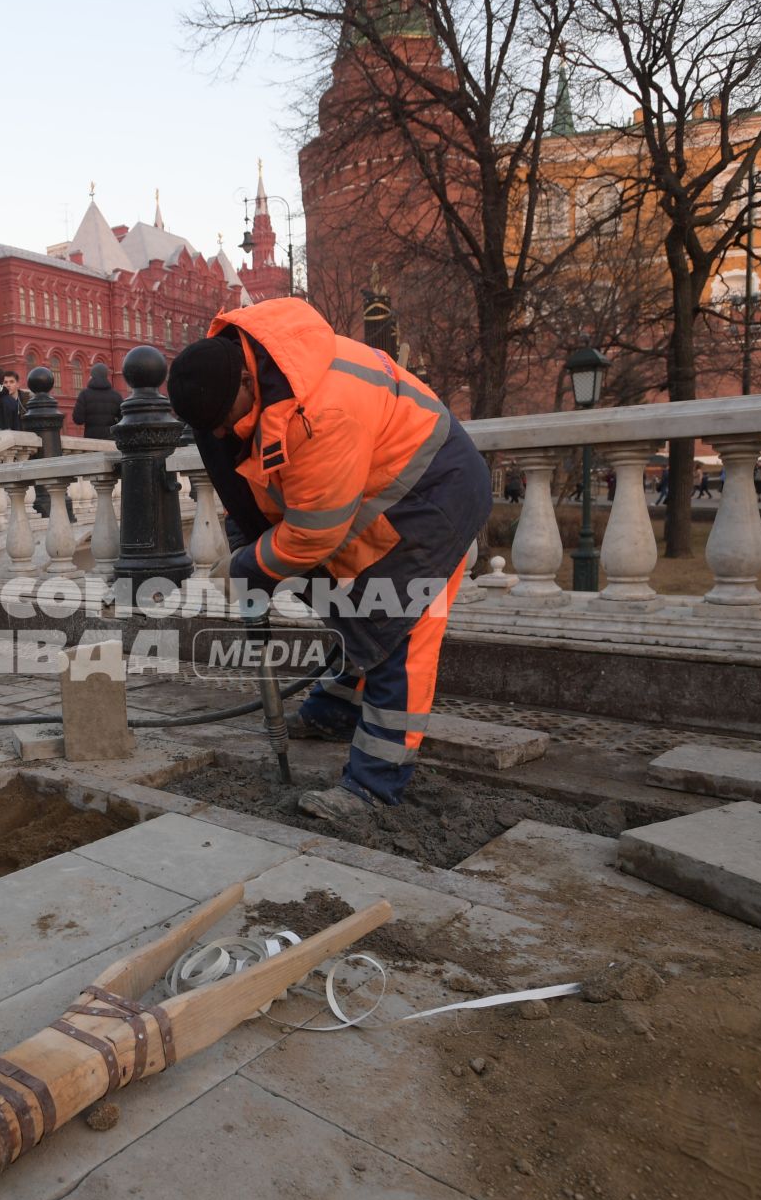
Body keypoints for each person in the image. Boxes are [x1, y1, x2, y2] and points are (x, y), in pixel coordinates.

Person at [166, 297, 491, 824]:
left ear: (246, 385)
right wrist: (246, 539)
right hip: (380, 490)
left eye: (227, 421)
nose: (224, 434)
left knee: (398, 631)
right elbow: (263, 478)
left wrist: (249, 567)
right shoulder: (263, 374)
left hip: (436, 498)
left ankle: (373, 786)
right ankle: (338, 708)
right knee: (340, 594)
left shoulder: (321, 412)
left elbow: (313, 533)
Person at [73, 362, 123, 441]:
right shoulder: (116, 396)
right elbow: (123, 419)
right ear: (106, 375)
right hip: (111, 439)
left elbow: (78, 420)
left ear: (92, 376)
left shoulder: (84, 395)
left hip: (91, 440)